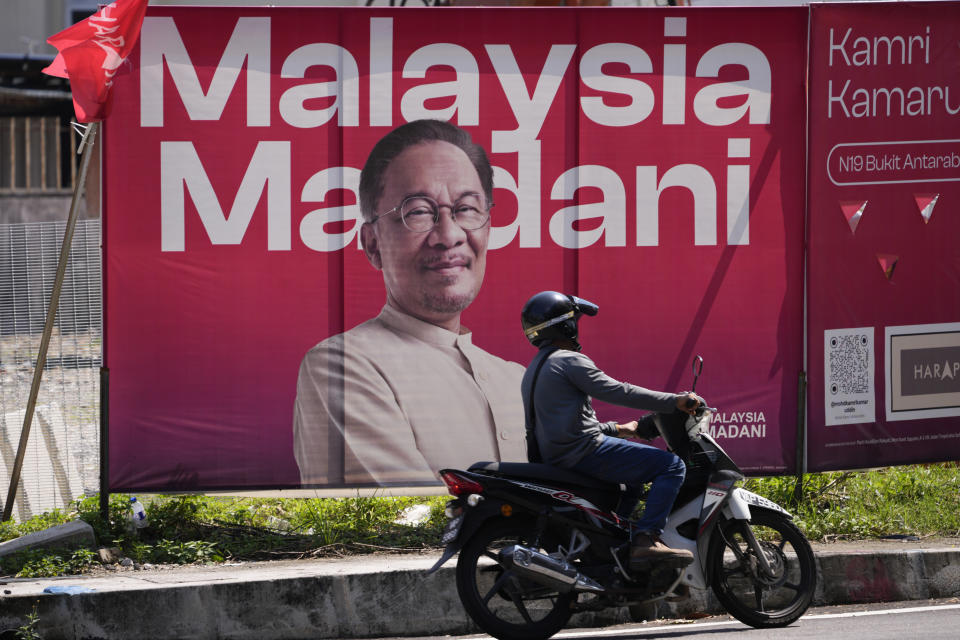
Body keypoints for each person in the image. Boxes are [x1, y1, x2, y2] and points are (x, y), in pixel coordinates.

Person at [293, 120, 526, 487]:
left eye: (466, 209)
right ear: (372, 243)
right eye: (418, 212)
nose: (449, 236)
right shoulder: (343, 367)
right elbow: (412, 523)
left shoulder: (520, 381)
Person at [520, 290, 699, 566]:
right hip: (584, 453)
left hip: (560, 457)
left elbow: (569, 426)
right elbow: (620, 392)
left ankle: (618, 540)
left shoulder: (535, 368)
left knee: (633, 481)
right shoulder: (569, 360)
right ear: (566, 326)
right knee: (671, 466)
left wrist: (621, 429)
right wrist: (674, 402)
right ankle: (646, 539)